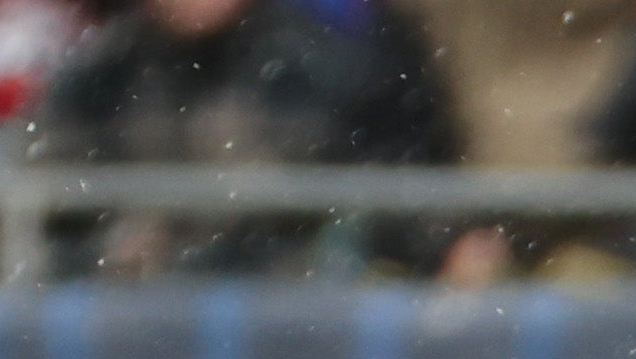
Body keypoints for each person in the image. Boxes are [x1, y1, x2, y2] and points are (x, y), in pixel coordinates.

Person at [40, 0, 459, 277]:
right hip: (132, 327)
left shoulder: (320, 62)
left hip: (288, 324)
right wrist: (119, 248)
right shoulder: (101, 73)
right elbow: (52, 197)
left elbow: (390, 189)